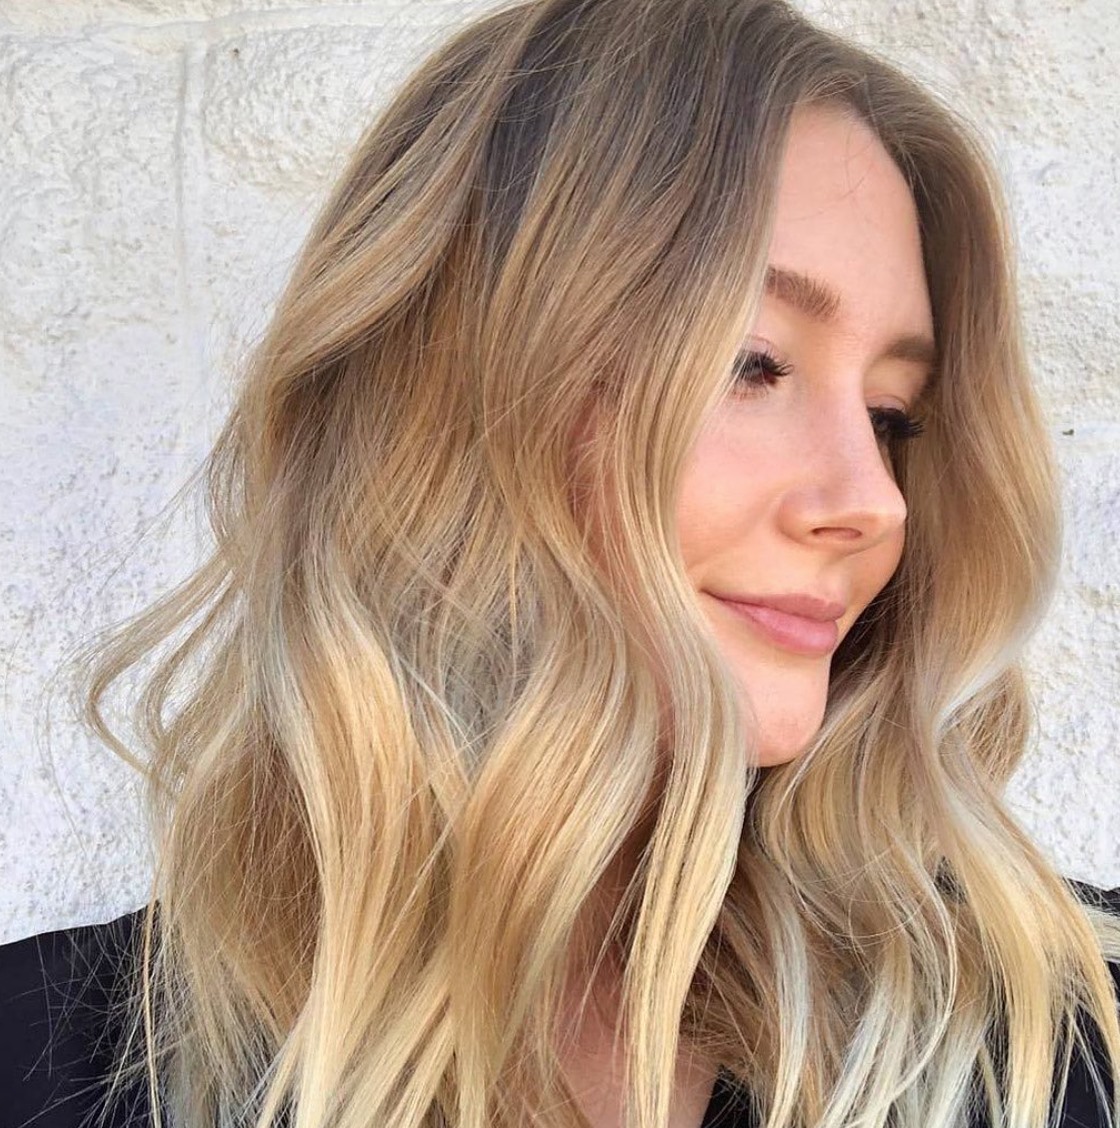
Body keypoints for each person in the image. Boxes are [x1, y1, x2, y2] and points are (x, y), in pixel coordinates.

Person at [2, 0, 1118, 1126]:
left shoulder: (1052, 1042)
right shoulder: (45, 1065)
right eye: (750, 363)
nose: (873, 501)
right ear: (450, 402)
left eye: (891, 416)